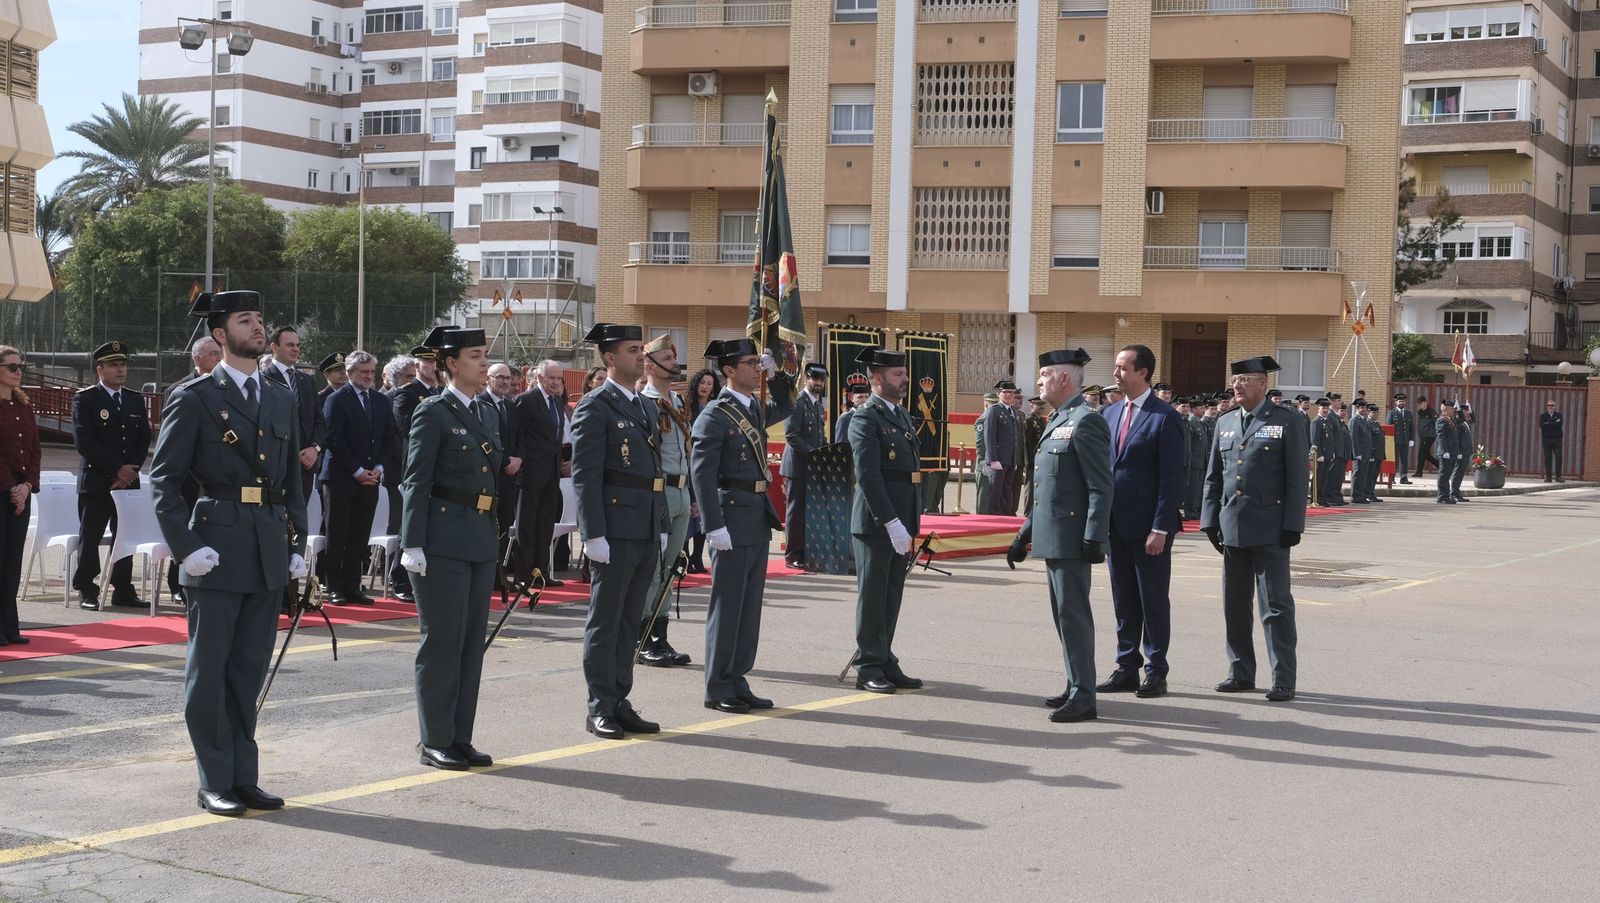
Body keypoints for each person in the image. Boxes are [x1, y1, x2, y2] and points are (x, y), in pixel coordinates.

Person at [149, 290, 308, 816]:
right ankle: (214, 779)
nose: (258, 327)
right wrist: (187, 547)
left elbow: (290, 482)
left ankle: (244, 776)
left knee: (248, 670)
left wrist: (297, 543)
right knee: (210, 670)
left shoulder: (281, 397)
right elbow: (165, 482)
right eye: (245, 320)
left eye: (260, 318)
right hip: (215, 548)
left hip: (266, 546)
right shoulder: (194, 397)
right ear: (220, 334)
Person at [398, 326, 501, 771]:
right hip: (441, 540)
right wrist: (412, 542)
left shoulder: (487, 412)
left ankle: (460, 736)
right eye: (475, 355)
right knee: (442, 642)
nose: (484, 362)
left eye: (484, 354)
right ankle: (435, 739)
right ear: (451, 364)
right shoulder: (433, 412)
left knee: (470, 644)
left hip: (479, 537)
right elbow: (416, 480)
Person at [571, 323, 670, 740]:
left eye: (641, 349)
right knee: (606, 621)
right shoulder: (596, 406)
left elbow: (655, 471)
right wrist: (592, 533)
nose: (641, 357)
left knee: (631, 621)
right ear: (610, 357)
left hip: (644, 525)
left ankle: (618, 698)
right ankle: (599, 706)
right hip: (613, 530)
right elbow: (585, 475)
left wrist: (660, 523)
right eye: (632, 350)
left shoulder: (644, 405)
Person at [1007, 349, 1111, 724]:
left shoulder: (1086, 420)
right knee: (1063, 617)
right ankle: (1074, 683)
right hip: (1053, 536)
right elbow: (1045, 489)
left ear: (1064, 378)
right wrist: (1023, 535)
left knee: (1073, 617)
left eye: (1044, 374)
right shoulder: (1059, 418)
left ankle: (1084, 696)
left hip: (1072, 538)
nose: (1038, 381)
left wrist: (1094, 536)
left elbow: (1101, 486)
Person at [692, 339, 794, 711]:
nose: (757, 368)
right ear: (729, 370)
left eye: (758, 362)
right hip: (731, 517)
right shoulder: (715, 415)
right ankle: (718, 686)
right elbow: (702, 475)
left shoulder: (752, 408)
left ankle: (737, 678)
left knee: (749, 609)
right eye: (751, 362)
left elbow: (787, 405)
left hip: (755, 514)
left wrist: (777, 375)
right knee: (728, 606)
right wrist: (713, 525)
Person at [1201, 355, 1307, 703]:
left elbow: (1297, 479)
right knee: (1234, 605)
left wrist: (1292, 524)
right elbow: (1214, 477)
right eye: (1236, 380)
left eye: (1245, 379)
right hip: (1232, 527)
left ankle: (1283, 678)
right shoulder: (1225, 421)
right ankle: (1240, 672)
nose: (1238, 385)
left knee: (1275, 606)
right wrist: (1209, 520)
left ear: (1263, 384)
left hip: (1271, 528)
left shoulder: (1286, 420)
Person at [1097, 343, 1185, 698]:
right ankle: (1126, 667)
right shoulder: (1110, 414)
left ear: (1143, 372)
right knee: (1124, 599)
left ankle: (1156, 670)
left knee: (1152, 600)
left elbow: (1171, 479)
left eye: (1122, 368)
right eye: (1116, 367)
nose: (1115, 373)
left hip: (1149, 527)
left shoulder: (1164, 417)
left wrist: (1160, 527)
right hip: (1115, 524)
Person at [847, 347, 923, 694]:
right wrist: (891, 522)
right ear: (876, 379)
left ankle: (885, 658)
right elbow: (868, 475)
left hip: (902, 518)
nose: (905, 379)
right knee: (873, 595)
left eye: (904, 373)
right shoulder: (865, 418)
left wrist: (908, 521)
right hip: (877, 523)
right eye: (897, 374)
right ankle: (868, 665)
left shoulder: (901, 415)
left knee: (892, 595)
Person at [72, 341, 152, 611]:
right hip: (97, 481)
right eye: (114, 365)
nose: (121, 370)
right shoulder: (86, 399)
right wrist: (118, 468)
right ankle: (87, 589)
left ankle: (123, 589)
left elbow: (143, 439)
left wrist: (130, 471)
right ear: (100, 369)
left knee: (125, 536)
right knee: (91, 537)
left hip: (127, 482)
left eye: (123, 364)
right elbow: (85, 442)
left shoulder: (134, 399)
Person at [320, 351, 395, 605]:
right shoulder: (337, 399)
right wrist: (357, 471)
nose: (369, 377)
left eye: (372, 372)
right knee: (337, 534)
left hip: (371, 478)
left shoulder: (380, 400)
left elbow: (388, 438)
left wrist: (379, 468)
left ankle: (353, 586)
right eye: (364, 372)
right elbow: (333, 439)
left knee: (360, 536)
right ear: (350, 373)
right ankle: (335, 587)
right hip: (341, 479)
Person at [638, 337, 695, 667]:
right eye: (667, 358)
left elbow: (687, 452)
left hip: (682, 492)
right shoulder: (644, 403)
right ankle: (642, 637)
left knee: (671, 569)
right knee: (653, 570)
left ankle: (660, 636)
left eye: (675, 357)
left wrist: (693, 496)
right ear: (649, 365)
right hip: (659, 492)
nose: (675, 363)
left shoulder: (677, 401)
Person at [163, 336, 223, 605]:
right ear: (197, 358)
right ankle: (177, 584)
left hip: (213, 479)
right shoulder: (179, 390)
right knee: (185, 529)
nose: (218, 359)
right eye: (213, 354)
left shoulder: (224, 387)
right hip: (187, 478)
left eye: (219, 353)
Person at [512, 359, 568, 588]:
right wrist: (523, 461)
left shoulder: (557, 401)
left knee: (545, 525)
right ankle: (523, 575)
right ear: (540, 377)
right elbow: (517, 435)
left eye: (559, 378)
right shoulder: (526, 400)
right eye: (551, 378)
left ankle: (540, 573)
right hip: (530, 473)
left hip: (551, 473)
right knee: (527, 526)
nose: (556, 382)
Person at [0, 346, 39, 646]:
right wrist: (11, 486)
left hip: (20, 493)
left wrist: (27, 486)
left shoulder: (24, 406)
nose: (18, 371)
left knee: (12, 561)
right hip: (3, 490)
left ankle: (9, 626)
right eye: (12, 367)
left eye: (20, 366)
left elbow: (35, 451)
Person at [260, 326, 325, 502]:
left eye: (297, 345)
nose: (295, 349)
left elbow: (319, 420)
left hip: (305, 467)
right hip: (277, 468)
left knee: (299, 517)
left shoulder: (306, 381)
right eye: (290, 345)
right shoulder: (261, 379)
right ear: (274, 347)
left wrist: (315, 448)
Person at [781, 363, 827, 569]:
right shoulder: (798, 402)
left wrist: (826, 451)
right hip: (797, 467)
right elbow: (792, 435)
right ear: (806, 379)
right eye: (815, 379)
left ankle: (806, 552)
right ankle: (793, 555)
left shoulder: (817, 404)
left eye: (821, 380)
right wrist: (814, 454)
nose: (818, 383)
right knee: (796, 512)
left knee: (809, 511)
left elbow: (818, 436)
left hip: (812, 467)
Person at [485, 362, 523, 581]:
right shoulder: (480, 403)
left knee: (505, 526)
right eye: (500, 377)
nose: (505, 382)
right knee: (490, 528)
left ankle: (500, 576)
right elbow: (487, 440)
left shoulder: (510, 405)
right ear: (488, 378)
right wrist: (506, 461)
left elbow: (520, 437)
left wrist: (519, 459)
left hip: (511, 477)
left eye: (508, 378)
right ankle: (489, 577)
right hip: (492, 475)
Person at [684, 367, 723, 575]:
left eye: (709, 383)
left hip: (709, 465)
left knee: (702, 512)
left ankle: (697, 557)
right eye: (702, 382)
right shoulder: (686, 407)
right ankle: (683, 557)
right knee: (688, 511)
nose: (705, 387)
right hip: (687, 462)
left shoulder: (716, 409)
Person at [976, 382, 1020, 515]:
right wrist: (993, 459)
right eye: (1005, 392)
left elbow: (1015, 438)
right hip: (998, 460)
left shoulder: (1014, 412)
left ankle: (1004, 518)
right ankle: (992, 519)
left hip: (1010, 460)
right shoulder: (994, 410)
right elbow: (989, 436)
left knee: (1007, 493)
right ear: (998, 394)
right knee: (995, 493)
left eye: (1011, 392)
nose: (1008, 395)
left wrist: (1015, 459)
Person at [1312, 398, 1342, 507]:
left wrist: (1332, 452)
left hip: (1328, 454)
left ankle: (1322, 497)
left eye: (1327, 408)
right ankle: (1316, 498)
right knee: (1318, 477)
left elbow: (1330, 439)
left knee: (1324, 477)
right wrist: (1319, 454)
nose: (1325, 410)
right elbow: (1315, 440)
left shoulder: (1326, 421)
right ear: (1318, 409)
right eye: (1323, 408)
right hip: (1320, 455)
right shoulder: (1316, 422)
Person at [1183, 397, 1208, 520]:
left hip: (1201, 460)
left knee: (1198, 487)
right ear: (1193, 409)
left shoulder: (1199, 422)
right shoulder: (1191, 422)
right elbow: (1188, 443)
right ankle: (1189, 510)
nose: (1203, 410)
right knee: (1192, 487)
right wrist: (1190, 459)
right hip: (1193, 461)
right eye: (1200, 408)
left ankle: (1195, 508)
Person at [974, 391, 997, 516]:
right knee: (983, 494)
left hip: (992, 461)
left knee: (991, 493)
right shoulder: (982, 420)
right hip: (984, 462)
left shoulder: (993, 420)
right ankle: (981, 518)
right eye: (992, 404)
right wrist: (984, 461)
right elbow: (980, 443)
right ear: (986, 405)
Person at [1435, 399, 1460, 505]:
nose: (1453, 410)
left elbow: (1454, 438)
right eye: (1451, 409)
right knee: (1444, 475)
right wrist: (1445, 451)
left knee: (1447, 475)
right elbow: (1441, 437)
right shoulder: (1441, 420)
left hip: (1452, 452)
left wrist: (1457, 451)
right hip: (1445, 452)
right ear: (1445, 410)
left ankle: (1446, 495)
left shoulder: (1450, 420)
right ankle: (1442, 496)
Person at [1387, 394, 1415, 485]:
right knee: (1394, 460)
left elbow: (1411, 427)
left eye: (1403, 401)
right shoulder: (1391, 412)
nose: (1401, 403)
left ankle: (1404, 478)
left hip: (1405, 440)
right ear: (1396, 402)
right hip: (1395, 441)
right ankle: (1392, 477)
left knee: (1404, 460)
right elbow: (1389, 427)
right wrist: (1390, 440)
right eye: (1400, 401)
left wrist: (1411, 439)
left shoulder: (1408, 412)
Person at [833, 372, 869, 442]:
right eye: (860, 397)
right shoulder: (845, 418)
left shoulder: (871, 416)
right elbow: (841, 445)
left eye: (866, 397)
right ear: (852, 398)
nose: (864, 400)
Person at [1349, 401, 1374, 504]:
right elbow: (1353, 438)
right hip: (1359, 453)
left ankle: (1361, 495)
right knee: (1358, 474)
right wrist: (1356, 453)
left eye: (1365, 408)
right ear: (1357, 409)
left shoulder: (1364, 420)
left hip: (1366, 453)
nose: (1363, 410)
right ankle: (1355, 496)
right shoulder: (1355, 420)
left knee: (1363, 474)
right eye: (1361, 408)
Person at [1452, 402, 1474, 503]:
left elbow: (1473, 420)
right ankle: (1454, 493)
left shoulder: (1465, 422)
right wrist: (1458, 452)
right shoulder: (1458, 422)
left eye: (1468, 411)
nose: (1467, 412)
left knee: (1460, 473)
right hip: (1461, 451)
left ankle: (1457, 492)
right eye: (1465, 411)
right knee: (1457, 472)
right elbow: (1456, 438)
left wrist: (1472, 411)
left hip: (1466, 451)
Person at [1540, 399, 1565, 482]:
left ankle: (1558, 476)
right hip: (1546, 439)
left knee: (1559, 457)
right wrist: (1554, 423)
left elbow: (1559, 425)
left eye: (1552, 405)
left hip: (1557, 439)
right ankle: (1548, 477)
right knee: (1547, 458)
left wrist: (1548, 423)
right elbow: (1543, 426)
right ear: (1546, 407)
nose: (1550, 407)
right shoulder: (1543, 416)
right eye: (1548, 405)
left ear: (1555, 407)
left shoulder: (1559, 415)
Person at [1415, 395, 1438, 476]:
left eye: (1421, 403)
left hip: (1429, 435)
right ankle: (1441, 467)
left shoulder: (1431, 411)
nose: (1419, 405)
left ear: (1425, 402)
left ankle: (1419, 472)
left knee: (1421, 453)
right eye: (1419, 403)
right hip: (1423, 436)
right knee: (1426, 455)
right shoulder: (1420, 412)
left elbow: (1437, 422)